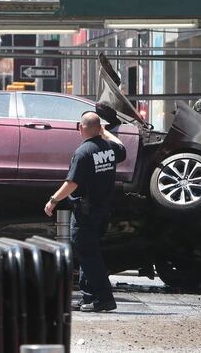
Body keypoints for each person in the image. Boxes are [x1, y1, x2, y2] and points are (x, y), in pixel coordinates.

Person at [44, 111, 126, 312]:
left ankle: (105, 299)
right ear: (99, 128)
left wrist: (53, 200)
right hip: (103, 211)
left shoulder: (83, 152)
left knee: (89, 256)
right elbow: (123, 148)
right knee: (89, 252)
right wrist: (105, 133)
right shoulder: (109, 148)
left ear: (80, 128)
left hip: (85, 213)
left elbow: (72, 183)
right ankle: (89, 296)